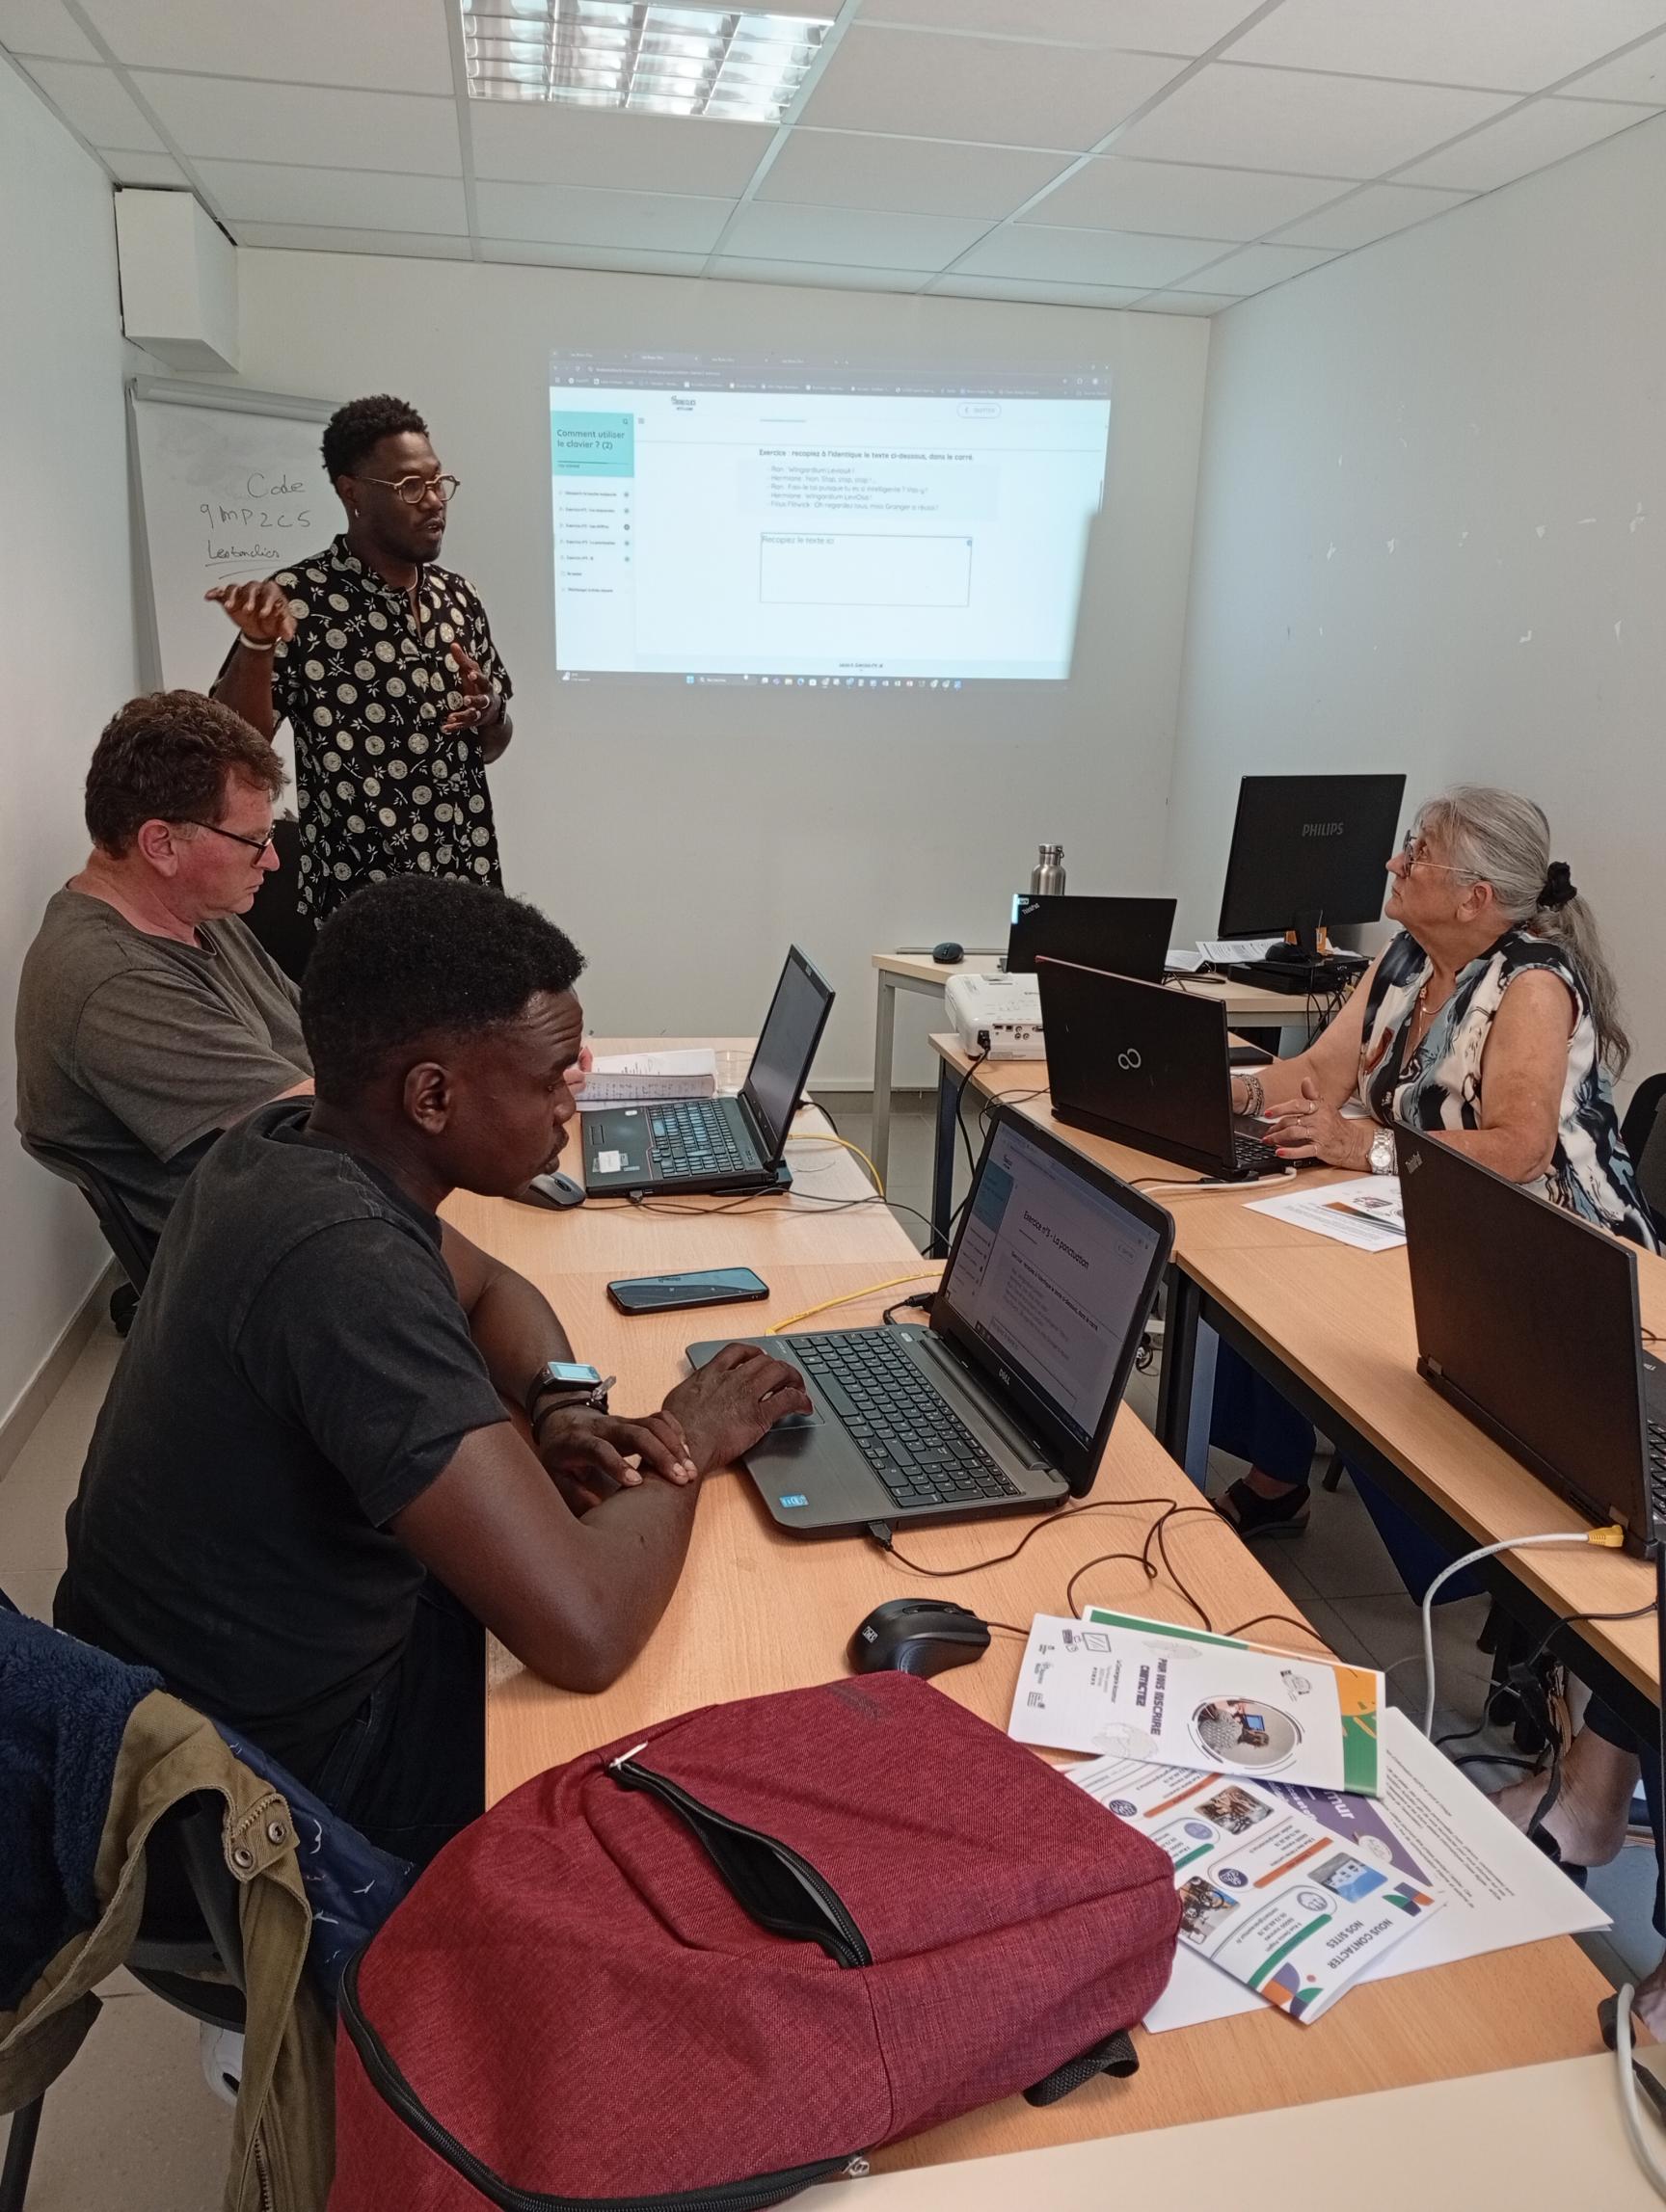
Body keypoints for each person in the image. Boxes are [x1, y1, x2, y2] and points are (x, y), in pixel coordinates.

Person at [54, 877, 810, 1867]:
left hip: (168, 1708)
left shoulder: (279, 1150)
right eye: (549, 1082)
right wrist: (691, 1438)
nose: (568, 1107)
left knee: (618, 1558)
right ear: (432, 1096)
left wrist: (561, 1403)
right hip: (257, 1791)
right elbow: (582, 1634)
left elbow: (493, 1287)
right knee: (712, 1737)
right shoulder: (344, 1267)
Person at [1212, 785, 1655, 1540]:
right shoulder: (1408, 957)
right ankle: (1277, 1475)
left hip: (1557, 1240)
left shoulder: (1533, 983)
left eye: (1417, 852)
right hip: (1430, 1205)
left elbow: (1521, 1148)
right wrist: (1220, 1090)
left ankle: (1458, 1546)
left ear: (1473, 897)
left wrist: (1367, 1147)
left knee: (1334, 1310)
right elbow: (1321, 1071)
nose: (1395, 860)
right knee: (1255, 1262)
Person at [15, 691, 311, 1248]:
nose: (272, 860)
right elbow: (317, 1129)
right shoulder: (113, 983)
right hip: (270, 1252)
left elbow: (312, 1029)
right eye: (254, 841)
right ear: (161, 843)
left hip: (310, 1198)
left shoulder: (195, 908)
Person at [208, 392, 512, 923]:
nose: (434, 500)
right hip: (360, 904)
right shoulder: (301, 599)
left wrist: (491, 712)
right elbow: (239, 746)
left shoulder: (459, 598)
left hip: (468, 887)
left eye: (438, 482)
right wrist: (258, 645)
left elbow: (492, 747)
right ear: (353, 493)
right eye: (409, 487)